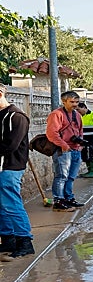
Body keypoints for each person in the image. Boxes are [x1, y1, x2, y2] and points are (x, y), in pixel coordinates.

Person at [0, 84, 35, 257]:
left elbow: (10, 145)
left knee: (11, 204)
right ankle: (8, 240)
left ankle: (25, 241)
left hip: (10, 167)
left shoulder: (16, 116)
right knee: (2, 205)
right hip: (2, 167)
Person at [46, 90, 85, 211]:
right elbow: (51, 133)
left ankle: (69, 198)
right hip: (62, 150)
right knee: (61, 176)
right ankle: (58, 200)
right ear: (64, 101)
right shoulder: (56, 114)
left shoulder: (77, 115)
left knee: (71, 177)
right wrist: (63, 145)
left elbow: (80, 131)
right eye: (72, 102)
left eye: (77, 102)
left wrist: (80, 144)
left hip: (75, 149)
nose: (75, 104)